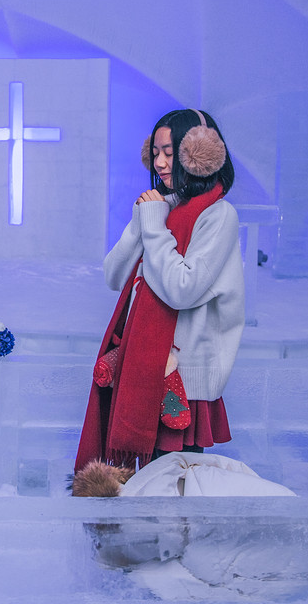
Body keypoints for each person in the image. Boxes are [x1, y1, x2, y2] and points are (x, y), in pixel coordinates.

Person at [74, 108, 244, 473]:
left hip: (182, 381)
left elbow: (181, 289)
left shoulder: (219, 216)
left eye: (171, 152)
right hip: (142, 367)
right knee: (143, 487)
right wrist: (141, 225)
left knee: (171, 493)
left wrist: (153, 227)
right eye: (156, 153)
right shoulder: (161, 209)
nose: (161, 163)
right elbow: (115, 276)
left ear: (198, 154)